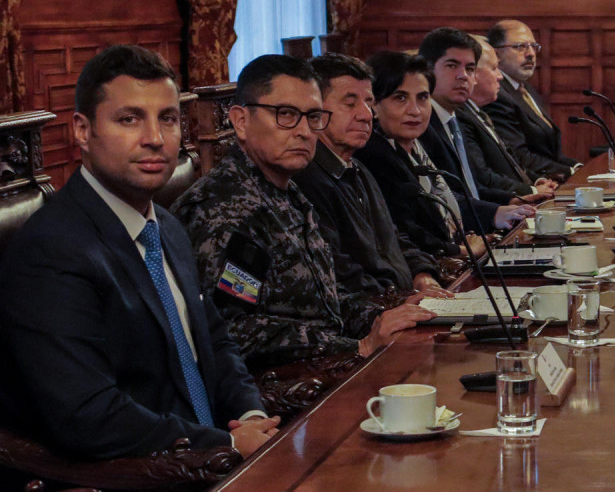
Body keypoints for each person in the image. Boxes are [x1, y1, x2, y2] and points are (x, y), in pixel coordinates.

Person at [0, 45, 279, 460]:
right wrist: (226, 444)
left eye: (167, 119)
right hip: (150, 472)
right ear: (81, 130)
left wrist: (251, 414)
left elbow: (215, 343)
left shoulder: (165, 225)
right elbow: (87, 415)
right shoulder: (50, 251)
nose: (154, 139)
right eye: (129, 119)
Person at [175, 55, 436, 368]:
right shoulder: (225, 209)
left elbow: (323, 301)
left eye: (313, 117)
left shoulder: (287, 190)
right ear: (241, 120)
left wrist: (384, 314)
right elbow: (234, 332)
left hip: (336, 362)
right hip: (284, 390)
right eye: (286, 114)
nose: (304, 131)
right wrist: (359, 345)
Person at [293, 54, 448, 297]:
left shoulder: (357, 167)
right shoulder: (307, 179)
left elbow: (392, 239)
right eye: (350, 103)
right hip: (375, 315)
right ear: (315, 111)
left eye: (368, 102)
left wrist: (422, 274)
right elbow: (338, 274)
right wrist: (401, 300)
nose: (366, 115)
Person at [355, 50, 502, 268]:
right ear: (374, 105)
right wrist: (460, 250)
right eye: (400, 98)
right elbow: (402, 230)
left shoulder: (423, 140)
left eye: (423, 98)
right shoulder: (372, 155)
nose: (415, 111)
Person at [420, 28, 530, 205]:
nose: (463, 76)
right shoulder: (422, 124)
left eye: (470, 68)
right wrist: (494, 214)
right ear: (428, 69)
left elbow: (473, 188)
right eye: (452, 66)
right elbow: (441, 199)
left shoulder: (455, 120)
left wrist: (514, 200)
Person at [460, 35, 558, 202]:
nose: (500, 76)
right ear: (473, 74)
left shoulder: (479, 112)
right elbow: (483, 176)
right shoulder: (462, 116)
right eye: (494, 68)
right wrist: (531, 190)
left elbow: (510, 161)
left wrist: (537, 181)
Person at [484, 19, 580, 182]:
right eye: (520, 47)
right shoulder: (498, 95)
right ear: (497, 55)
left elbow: (550, 152)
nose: (531, 54)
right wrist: (570, 171)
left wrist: (577, 168)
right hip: (530, 184)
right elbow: (518, 155)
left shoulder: (526, 88)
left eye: (533, 47)